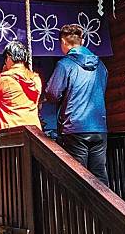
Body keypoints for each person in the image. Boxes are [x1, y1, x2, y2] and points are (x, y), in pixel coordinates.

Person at [44, 24, 109, 186]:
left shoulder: (65, 65)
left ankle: (82, 211)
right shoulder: (100, 65)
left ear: (63, 43)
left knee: (78, 175)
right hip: (99, 126)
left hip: (75, 126)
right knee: (99, 174)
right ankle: (104, 210)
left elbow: (52, 93)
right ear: (83, 41)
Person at [0, 41, 42, 130]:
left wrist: (3, 72)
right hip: (33, 131)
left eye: (5, 59)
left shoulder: (3, 79)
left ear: (9, 58)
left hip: (11, 131)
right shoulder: (36, 79)